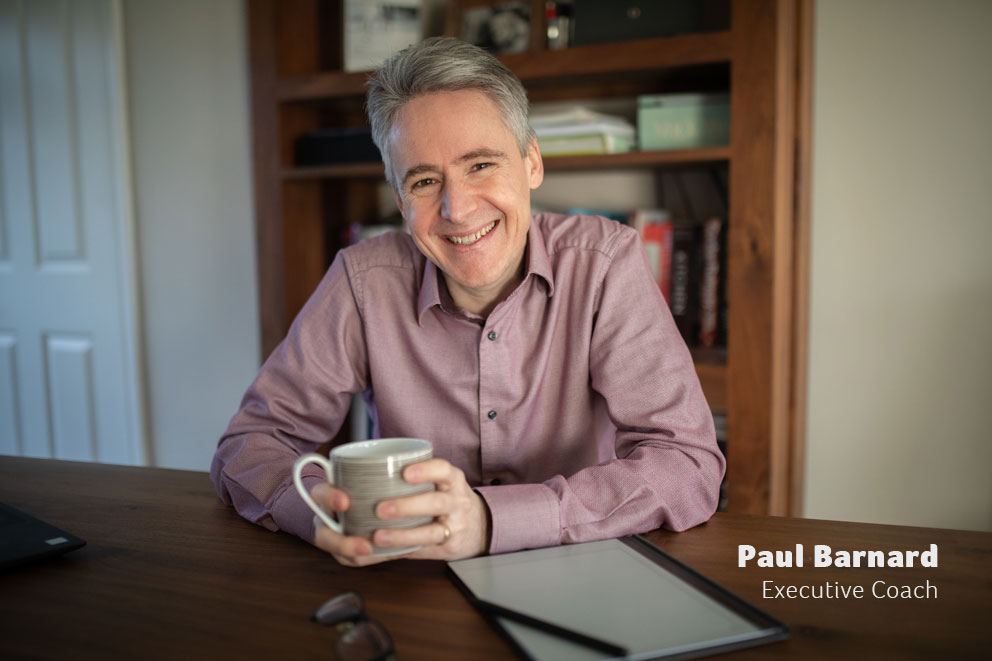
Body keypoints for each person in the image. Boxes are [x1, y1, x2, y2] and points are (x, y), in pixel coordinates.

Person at [211, 37, 724, 567]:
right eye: (426, 181)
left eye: (480, 165)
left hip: (576, 565)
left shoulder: (605, 263)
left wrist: (488, 521)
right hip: (408, 574)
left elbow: (687, 464)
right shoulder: (362, 280)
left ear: (531, 164)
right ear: (401, 200)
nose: (456, 209)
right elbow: (250, 445)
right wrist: (318, 509)